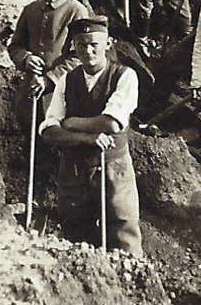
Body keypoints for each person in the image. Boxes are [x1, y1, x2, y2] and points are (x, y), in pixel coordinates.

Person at [39, 16, 143, 256]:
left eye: (94, 43)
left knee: (123, 231)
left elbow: (112, 123)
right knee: (76, 235)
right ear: (73, 46)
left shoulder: (124, 76)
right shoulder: (67, 79)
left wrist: (71, 123)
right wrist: (86, 138)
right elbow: (49, 131)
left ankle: (128, 284)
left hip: (113, 167)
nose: (88, 50)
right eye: (81, 44)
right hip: (74, 169)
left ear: (108, 44)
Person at [9, 0, 94, 96]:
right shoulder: (30, 10)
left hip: (65, 88)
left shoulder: (76, 10)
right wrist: (26, 58)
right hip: (32, 86)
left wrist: (50, 79)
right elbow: (15, 46)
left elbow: (80, 55)